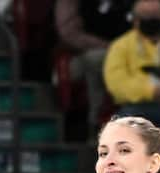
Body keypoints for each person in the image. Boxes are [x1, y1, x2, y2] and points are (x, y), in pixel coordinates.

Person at [53, 0, 130, 138]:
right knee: (96, 59)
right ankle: (96, 122)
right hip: (80, 55)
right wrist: (110, 47)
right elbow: (70, 35)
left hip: (127, 51)